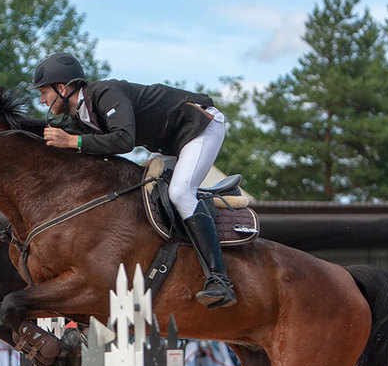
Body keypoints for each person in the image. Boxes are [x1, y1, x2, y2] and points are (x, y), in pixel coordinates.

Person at [29, 52, 235, 309]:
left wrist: (72, 141)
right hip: (169, 143)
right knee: (143, 193)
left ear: (62, 88)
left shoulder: (105, 93)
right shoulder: (79, 118)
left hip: (199, 126)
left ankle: (220, 280)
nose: (41, 99)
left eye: (43, 92)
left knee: (181, 193)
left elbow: (124, 140)